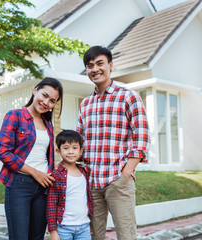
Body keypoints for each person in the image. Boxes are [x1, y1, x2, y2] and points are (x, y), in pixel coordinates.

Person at [77, 46, 150, 240]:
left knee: (126, 235)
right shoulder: (85, 104)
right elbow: (80, 141)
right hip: (91, 182)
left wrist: (126, 173)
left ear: (110, 65)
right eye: (90, 66)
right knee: (95, 236)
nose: (95, 69)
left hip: (118, 180)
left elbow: (141, 136)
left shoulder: (128, 96)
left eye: (100, 63)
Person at [0, 77, 63, 240]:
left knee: (37, 237)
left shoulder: (48, 125)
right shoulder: (15, 115)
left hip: (43, 187)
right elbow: (2, 151)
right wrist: (35, 172)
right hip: (19, 185)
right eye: (44, 95)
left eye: (52, 101)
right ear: (35, 90)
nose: (46, 102)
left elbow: (47, 157)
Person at [46, 130, 93, 240]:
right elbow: (51, 203)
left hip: (84, 226)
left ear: (81, 151)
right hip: (64, 227)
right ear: (59, 151)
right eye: (66, 148)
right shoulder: (56, 175)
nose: (70, 152)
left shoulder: (84, 172)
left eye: (74, 148)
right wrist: (53, 231)